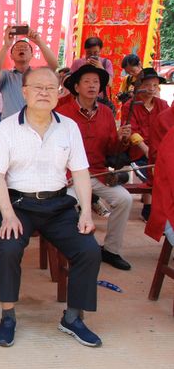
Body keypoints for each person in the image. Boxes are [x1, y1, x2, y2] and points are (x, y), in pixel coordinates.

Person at [0, 67, 102, 348]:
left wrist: (86, 212)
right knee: (8, 248)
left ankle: (73, 317)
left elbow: (80, 172)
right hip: (19, 204)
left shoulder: (69, 127)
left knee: (89, 249)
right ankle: (7, 316)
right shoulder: (7, 127)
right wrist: (7, 215)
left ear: (59, 93)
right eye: (37, 87)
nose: (44, 92)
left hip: (59, 205)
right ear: (24, 92)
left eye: (50, 88)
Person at [56, 65, 133, 270]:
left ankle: (111, 250)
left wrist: (121, 139)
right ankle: (75, 251)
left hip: (98, 173)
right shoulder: (62, 113)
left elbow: (111, 150)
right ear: (77, 87)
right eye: (87, 82)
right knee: (68, 204)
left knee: (124, 199)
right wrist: (61, 175)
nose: (92, 86)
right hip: (70, 176)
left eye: (96, 82)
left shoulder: (106, 112)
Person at [119, 68, 169, 221]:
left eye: (155, 85)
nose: (151, 89)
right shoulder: (130, 105)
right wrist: (147, 150)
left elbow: (169, 126)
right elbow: (132, 131)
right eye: (147, 85)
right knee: (152, 172)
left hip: (160, 150)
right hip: (139, 151)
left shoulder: (162, 104)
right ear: (138, 86)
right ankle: (149, 208)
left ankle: (162, 207)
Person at [0, 26, 58, 118]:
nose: (21, 49)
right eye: (17, 47)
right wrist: (6, 45)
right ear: (11, 56)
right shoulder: (6, 76)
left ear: (32, 55)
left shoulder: (38, 74)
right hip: (11, 124)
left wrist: (39, 42)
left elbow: (54, 65)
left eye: (25, 47)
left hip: (35, 123)